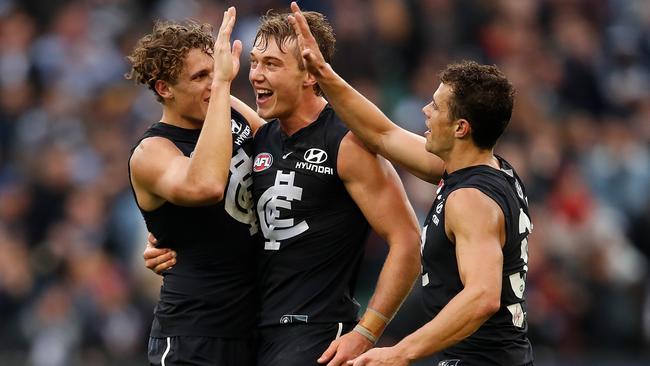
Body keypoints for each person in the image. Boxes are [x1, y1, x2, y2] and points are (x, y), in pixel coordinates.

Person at [145, 8, 422, 366]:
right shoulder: (260, 137)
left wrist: (367, 332)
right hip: (255, 334)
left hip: (318, 335)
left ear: (309, 72)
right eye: (255, 62)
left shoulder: (347, 143)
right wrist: (167, 241)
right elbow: (216, 201)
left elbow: (408, 240)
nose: (257, 74)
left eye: (272, 64)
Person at [289, 2, 534, 365]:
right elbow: (381, 133)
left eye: (435, 106)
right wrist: (323, 72)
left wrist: (401, 352)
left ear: (460, 128)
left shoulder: (470, 199)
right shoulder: (482, 167)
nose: (425, 111)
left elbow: (482, 296)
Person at [127, 8, 264, 366]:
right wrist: (220, 85)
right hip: (195, 334)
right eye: (200, 76)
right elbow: (206, 185)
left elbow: (282, 153)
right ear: (164, 89)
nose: (212, 83)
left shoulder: (228, 108)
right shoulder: (151, 151)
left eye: (213, 73)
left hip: (257, 327)